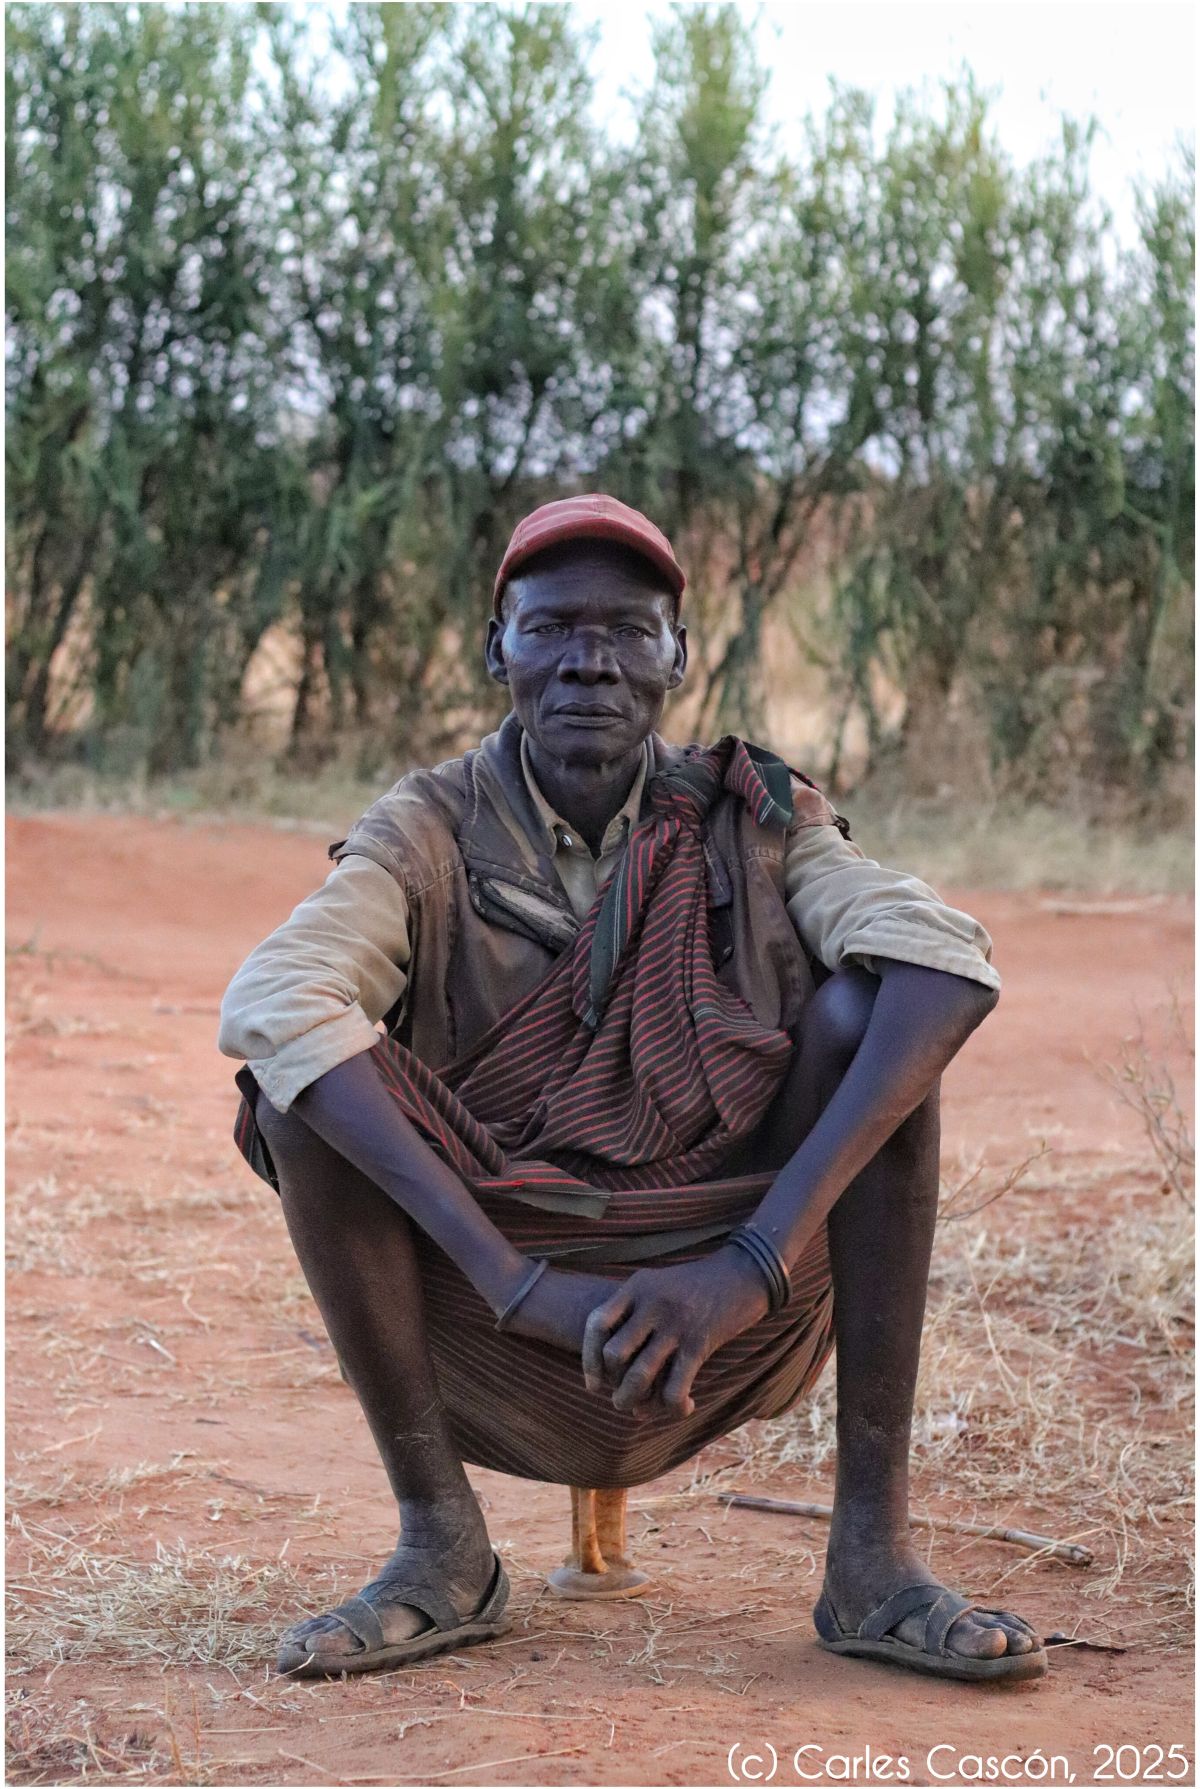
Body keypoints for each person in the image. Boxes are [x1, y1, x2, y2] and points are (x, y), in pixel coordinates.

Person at [219, 494, 1045, 1684]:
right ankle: (440, 1548)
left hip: (726, 1298)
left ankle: (874, 1559)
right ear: (498, 647)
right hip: (489, 1307)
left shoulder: (754, 811)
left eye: (627, 629)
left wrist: (745, 1267)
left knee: (884, 1022)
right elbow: (274, 998)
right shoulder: (429, 827)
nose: (588, 662)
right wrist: (516, 1282)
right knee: (297, 1095)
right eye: (552, 627)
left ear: (679, 655)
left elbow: (947, 963)